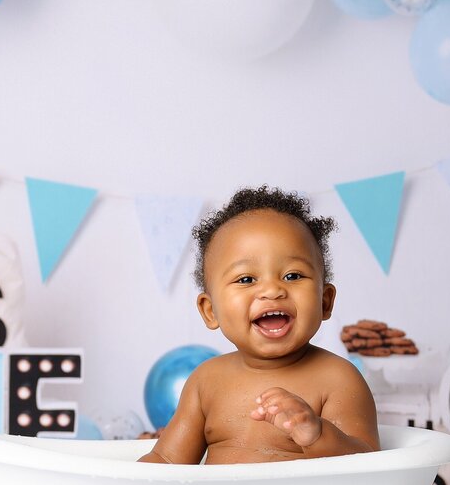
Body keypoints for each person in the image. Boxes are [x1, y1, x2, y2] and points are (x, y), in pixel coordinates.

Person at [139, 186, 380, 465]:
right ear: (210, 310)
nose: (272, 290)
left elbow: (368, 466)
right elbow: (168, 460)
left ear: (325, 301)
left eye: (293, 275)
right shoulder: (206, 382)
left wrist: (316, 434)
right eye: (246, 279)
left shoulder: (338, 379)